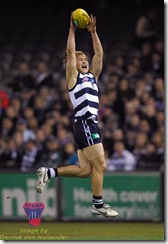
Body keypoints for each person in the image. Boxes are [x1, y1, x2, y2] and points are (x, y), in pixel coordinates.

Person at [36, 13, 118, 218]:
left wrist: (93, 33)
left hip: (87, 126)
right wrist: (72, 29)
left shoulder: (93, 76)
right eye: (80, 59)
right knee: (101, 166)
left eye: (85, 59)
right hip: (86, 124)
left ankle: (50, 172)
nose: (84, 60)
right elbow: (71, 51)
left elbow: (99, 55)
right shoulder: (73, 79)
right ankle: (98, 205)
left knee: (85, 171)